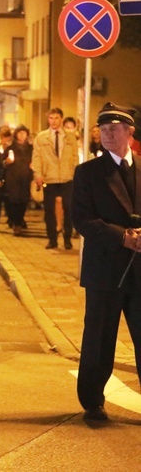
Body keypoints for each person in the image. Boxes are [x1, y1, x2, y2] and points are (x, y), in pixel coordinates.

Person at [71, 102, 141, 422]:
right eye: (103, 129)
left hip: (139, 267)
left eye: (114, 128)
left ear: (130, 132)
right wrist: (121, 236)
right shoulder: (88, 172)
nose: (108, 134)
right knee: (99, 336)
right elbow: (82, 219)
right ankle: (93, 401)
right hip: (105, 267)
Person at [32, 107, 79, 250]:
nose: (53, 121)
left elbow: (75, 157)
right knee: (49, 210)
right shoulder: (41, 137)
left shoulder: (70, 137)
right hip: (49, 178)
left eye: (56, 118)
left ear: (61, 119)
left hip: (67, 177)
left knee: (69, 208)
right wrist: (38, 174)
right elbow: (37, 157)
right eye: (51, 118)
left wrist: (76, 174)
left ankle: (67, 238)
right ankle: (52, 238)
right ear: (48, 119)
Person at [3, 125, 33, 235]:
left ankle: (20, 220)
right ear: (16, 135)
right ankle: (16, 223)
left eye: (24, 133)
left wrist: (33, 165)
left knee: (24, 201)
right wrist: (7, 162)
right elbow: (3, 162)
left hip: (26, 178)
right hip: (13, 178)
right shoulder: (10, 148)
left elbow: (36, 159)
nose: (21, 135)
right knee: (14, 201)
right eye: (19, 133)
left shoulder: (31, 148)